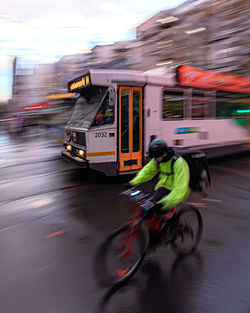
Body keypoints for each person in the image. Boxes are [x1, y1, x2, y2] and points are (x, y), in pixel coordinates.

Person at [124, 139, 190, 222]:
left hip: (176, 192)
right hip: (162, 188)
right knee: (147, 206)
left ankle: (173, 225)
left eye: (156, 158)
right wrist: (133, 183)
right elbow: (147, 172)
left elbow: (180, 188)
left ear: (164, 154)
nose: (154, 160)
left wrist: (166, 202)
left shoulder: (179, 163)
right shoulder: (158, 159)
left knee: (162, 212)